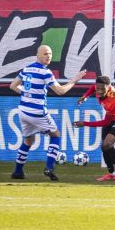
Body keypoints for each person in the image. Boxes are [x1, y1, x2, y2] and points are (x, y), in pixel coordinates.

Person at [9, 46, 85, 181]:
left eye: (50, 54)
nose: (48, 56)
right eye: (45, 54)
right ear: (37, 55)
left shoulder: (27, 69)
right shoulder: (45, 72)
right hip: (37, 112)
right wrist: (75, 80)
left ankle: (17, 172)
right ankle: (49, 167)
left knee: (28, 140)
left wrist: (28, 93)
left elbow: (13, 86)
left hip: (23, 111)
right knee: (55, 135)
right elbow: (60, 91)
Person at [74, 74, 115, 182]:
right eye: (98, 88)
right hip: (111, 116)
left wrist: (84, 123)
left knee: (107, 144)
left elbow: (105, 122)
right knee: (104, 147)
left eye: (102, 88)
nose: (99, 91)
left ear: (109, 87)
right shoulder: (97, 88)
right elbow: (93, 88)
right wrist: (85, 96)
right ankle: (111, 174)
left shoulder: (113, 100)